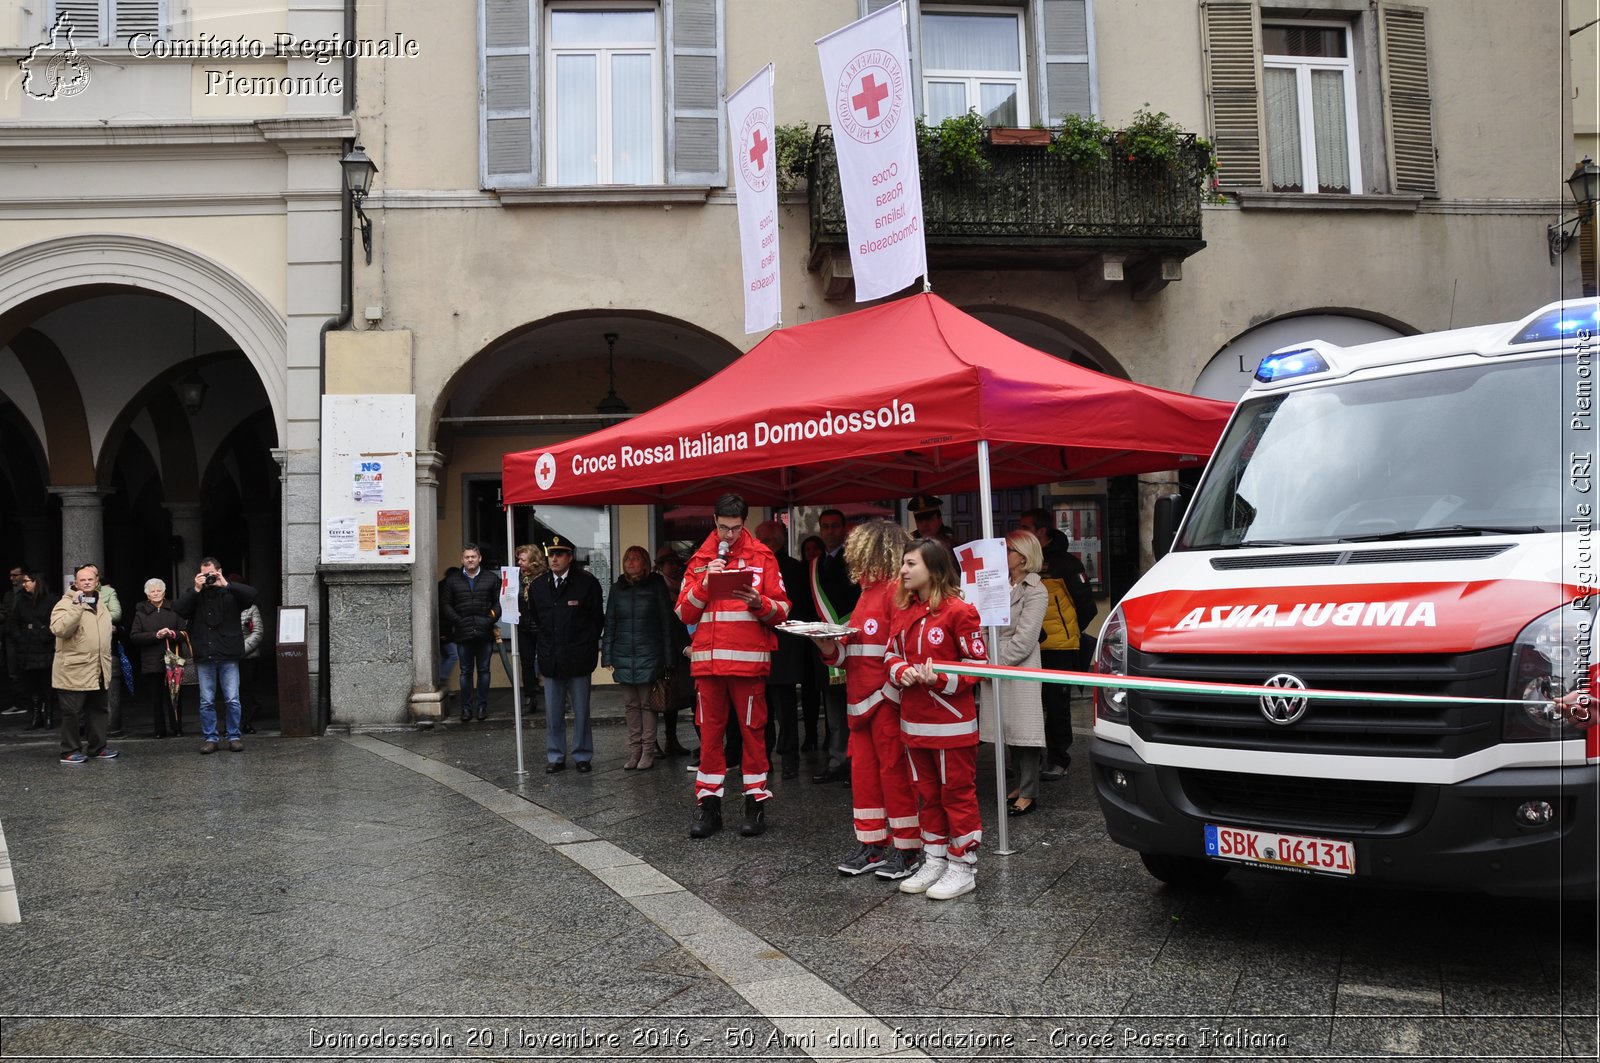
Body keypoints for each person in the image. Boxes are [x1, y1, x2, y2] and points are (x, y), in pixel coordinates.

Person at [676, 493, 791, 839]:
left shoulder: (762, 556)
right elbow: (683, 612)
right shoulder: (699, 559)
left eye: (735, 528)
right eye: (723, 527)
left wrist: (760, 602)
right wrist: (705, 584)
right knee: (710, 738)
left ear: (745, 523)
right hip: (708, 668)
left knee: (753, 735)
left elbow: (783, 610)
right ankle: (708, 808)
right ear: (714, 520)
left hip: (747, 664)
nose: (728, 534)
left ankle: (755, 805)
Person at [815, 520, 924, 880]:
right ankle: (873, 844)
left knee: (893, 775)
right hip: (861, 702)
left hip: (885, 703)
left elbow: (904, 652)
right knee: (864, 775)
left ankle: (908, 848)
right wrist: (829, 647)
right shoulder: (867, 592)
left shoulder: (896, 592)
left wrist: (888, 698)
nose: (853, 559)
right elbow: (853, 654)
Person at [885, 540, 986, 899]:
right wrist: (902, 673)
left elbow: (978, 668)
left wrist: (938, 678)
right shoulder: (903, 609)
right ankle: (936, 859)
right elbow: (890, 656)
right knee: (926, 795)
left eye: (911, 564)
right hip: (914, 725)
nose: (903, 571)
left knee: (956, 795)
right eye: (903, 564)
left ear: (934, 568)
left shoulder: (961, 611)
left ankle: (963, 866)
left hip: (952, 726)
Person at [1018, 507, 1096, 778]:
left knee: (1058, 706)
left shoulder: (1067, 564)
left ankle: (1058, 758)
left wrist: (1068, 634)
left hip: (1059, 648)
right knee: (1029, 705)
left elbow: (1087, 609)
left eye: (1026, 528)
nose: (1020, 534)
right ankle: (1032, 759)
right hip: (1027, 647)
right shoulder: (1020, 564)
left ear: (1042, 532)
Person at [979, 530, 1049, 817]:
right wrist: (981, 655)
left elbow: (1027, 638)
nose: (1002, 554)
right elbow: (982, 623)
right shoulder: (995, 584)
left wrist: (997, 664)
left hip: (1019, 665)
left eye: (1007, 549)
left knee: (1025, 731)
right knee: (1007, 729)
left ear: (1022, 556)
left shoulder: (1036, 590)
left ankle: (1030, 790)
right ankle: (1020, 784)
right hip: (993, 660)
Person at [529, 535, 604, 773]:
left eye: (559, 554)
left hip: (578, 657)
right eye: (551, 554)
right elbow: (535, 619)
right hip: (551, 658)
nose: (554, 559)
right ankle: (556, 755)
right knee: (553, 712)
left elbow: (596, 620)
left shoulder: (586, 583)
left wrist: (586, 646)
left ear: (570, 557)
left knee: (581, 711)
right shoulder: (539, 585)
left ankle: (582, 754)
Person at [173, 558, 257, 754]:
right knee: (206, 700)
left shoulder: (231, 592)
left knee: (232, 699)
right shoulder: (196, 594)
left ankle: (234, 736)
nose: (208, 578)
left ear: (219, 572)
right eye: (204, 575)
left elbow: (252, 596)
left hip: (228, 653)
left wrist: (227, 584)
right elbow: (179, 609)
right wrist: (196, 589)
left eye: (211, 574)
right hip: (205, 654)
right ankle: (210, 738)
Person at [602, 545, 674, 770]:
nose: (630, 563)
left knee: (647, 705)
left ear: (645, 562)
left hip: (650, 654)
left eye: (635, 559)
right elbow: (610, 622)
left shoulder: (656, 585)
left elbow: (666, 623)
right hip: (623, 654)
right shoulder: (617, 589)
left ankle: (648, 751)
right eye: (627, 559)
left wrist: (669, 658)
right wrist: (607, 655)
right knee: (630, 705)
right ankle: (634, 752)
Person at [754, 520, 813, 781]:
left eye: (761, 539)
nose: (756, 544)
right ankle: (766, 759)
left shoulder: (791, 568)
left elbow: (796, 609)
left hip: (783, 648)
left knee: (783, 710)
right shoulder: (756, 567)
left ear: (774, 541)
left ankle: (787, 759)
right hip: (761, 647)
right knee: (763, 710)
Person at [51, 563, 119, 763]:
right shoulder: (65, 603)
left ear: (97, 582)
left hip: (98, 666)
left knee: (98, 709)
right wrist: (77, 606)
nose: (87, 582)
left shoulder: (100, 603)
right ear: (75, 583)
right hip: (73, 669)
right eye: (83, 580)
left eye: (91, 579)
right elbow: (59, 629)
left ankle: (98, 747)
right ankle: (69, 750)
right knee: (72, 712)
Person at [811, 508, 860, 784]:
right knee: (833, 711)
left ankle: (856, 761)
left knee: (853, 705)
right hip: (827, 644)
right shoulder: (816, 563)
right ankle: (837, 759)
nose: (830, 531)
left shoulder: (853, 561)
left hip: (852, 640)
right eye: (825, 527)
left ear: (844, 529)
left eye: (834, 526)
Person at [440, 545, 499, 723]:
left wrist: (489, 619)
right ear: (462, 560)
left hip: (484, 632)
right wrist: (457, 620)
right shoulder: (453, 580)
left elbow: (498, 603)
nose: (470, 560)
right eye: (467, 557)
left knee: (484, 671)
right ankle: (466, 709)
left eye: (473, 556)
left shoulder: (491, 578)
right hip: (463, 632)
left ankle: (482, 707)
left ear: (480, 558)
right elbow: (445, 604)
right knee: (465, 672)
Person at [127, 578, 187, 738]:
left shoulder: (175, 609)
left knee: (175, 695)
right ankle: (159, 730)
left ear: (164, 592)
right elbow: (134, 636)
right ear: (147, 595)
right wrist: (155, 635)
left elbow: (185, 632)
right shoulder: (141, 613)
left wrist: (171, 634)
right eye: (152, 591)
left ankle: (177, 728)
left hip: (173, 659)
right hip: (151, 661)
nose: (156, 593)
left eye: (159, 590)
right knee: (156, 698)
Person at [654, 552, 696, 758]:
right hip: (663, 645)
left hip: (679, 643)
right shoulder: (659, 584)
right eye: (670, 562)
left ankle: (672, 740)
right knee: (661, 693)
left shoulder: (681, 583)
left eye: (677, 563)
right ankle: (655, 742)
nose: (675, 566)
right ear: (661, 565)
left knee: (675, 694)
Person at [8, 571, 55, 731]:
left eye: (27, 581)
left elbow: (55, 623)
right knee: (32, 685)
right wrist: (19, 638)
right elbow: (13, 622)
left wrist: (44, 635)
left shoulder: (51, 600)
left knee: (47, 684)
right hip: (26, 649)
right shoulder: (20, 600)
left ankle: (49, 716)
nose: (24, 584)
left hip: (45, 647)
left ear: (36, 582)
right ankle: (36, 716)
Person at [514, 543, 546, 716]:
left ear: (533, 561)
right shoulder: (516, 578)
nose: (519, 562)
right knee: (526, 663)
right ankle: (530, 699)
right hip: (523, 625)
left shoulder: (544, 577)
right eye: (518, 558)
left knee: (547, 661)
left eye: (522, 559)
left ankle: (560, 699)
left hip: (541, 626)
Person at [238, 593, 264, 734]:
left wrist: (240, 651)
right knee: (229, 693)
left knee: (246, 691)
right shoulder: (223, 606)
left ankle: (246, 722)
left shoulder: (251, 609)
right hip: (228, 657)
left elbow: (258, 632)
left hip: (247, 656)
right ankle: (232, 724)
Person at [1, 564, 24, 716]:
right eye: (11, 575)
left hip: (25, 636)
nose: (12, 578)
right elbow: (4, 613)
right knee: (13, 670)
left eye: (15, 575)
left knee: (30, 670)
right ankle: (18, 703)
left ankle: (34, 703)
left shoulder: (28, 593)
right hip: (10, 636)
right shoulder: (9, 595)